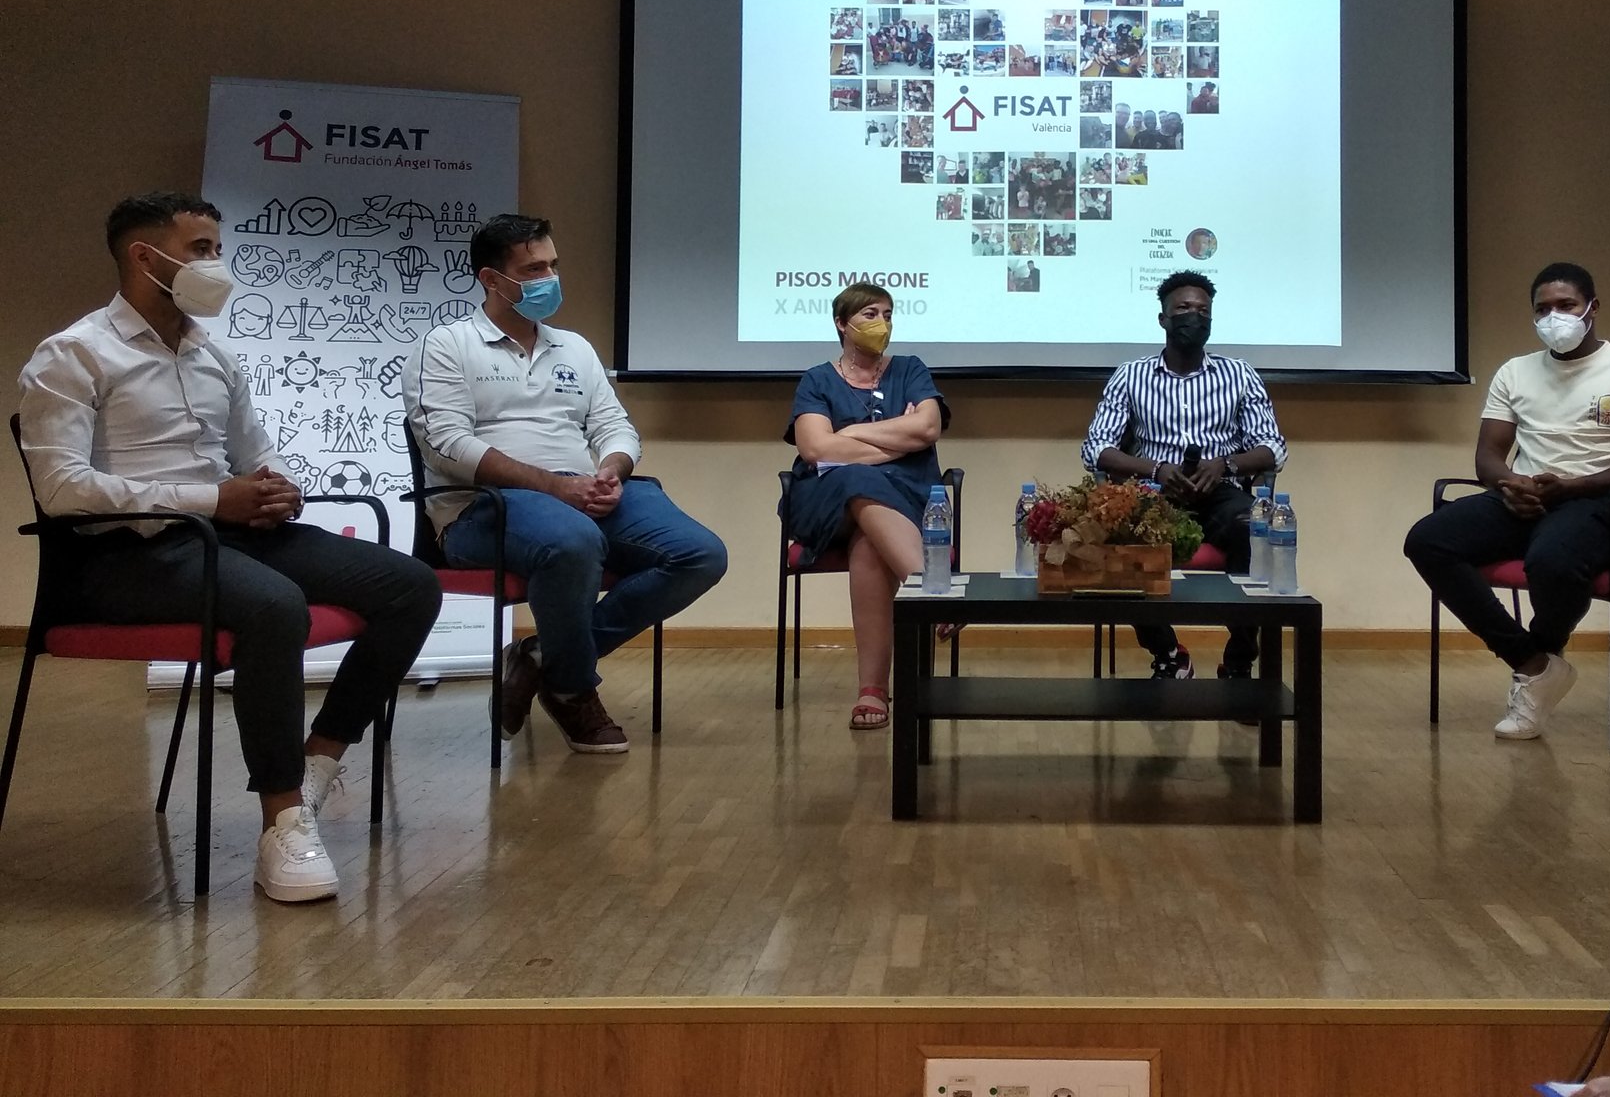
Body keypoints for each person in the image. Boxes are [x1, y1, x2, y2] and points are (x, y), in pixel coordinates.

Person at [17, 191, 442, 904]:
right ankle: (282, 824)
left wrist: (278, 487)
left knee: (411, 585)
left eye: (217, 248)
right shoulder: (74, 354)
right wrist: (212, 500)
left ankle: (317, 763)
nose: (217, 263)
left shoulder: (213, 353)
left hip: (231, 535)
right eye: (201, 250)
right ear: (144, 257)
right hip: (124, 557)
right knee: (274, 606)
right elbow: (63, 490)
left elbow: (255, 452)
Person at [406, 213, 727, 757]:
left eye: (553, 265)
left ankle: (541, 659)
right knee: (573, 541)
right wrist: (556, 490)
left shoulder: (574, 347)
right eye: (534, 269)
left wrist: (611, 471)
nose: (550, 278)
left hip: (581, 492)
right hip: (482, 508)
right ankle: (573, 690)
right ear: (491, 279)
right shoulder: (446, 345)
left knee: (701, 554)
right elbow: (448, 447)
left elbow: (615, 426)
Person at [1403, 263, 1610, 739]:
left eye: (1566, 305)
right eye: (1542, 309)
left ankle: (1541, 661)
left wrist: (1573, 486)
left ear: (1593, 308)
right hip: (1527, 498)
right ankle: (1533, 664)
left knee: (1550, 558)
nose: (1554, 317)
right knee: (1427, 540)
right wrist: (1511, 484)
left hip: (1603, 505)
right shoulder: (1515, 371)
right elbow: (1488, 457)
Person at [1082, 272, 1287, 680]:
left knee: (1254, 528)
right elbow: (1096, 449)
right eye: (1184, 308)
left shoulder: (1239, 374)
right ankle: (1168, 652)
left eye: (1203, 311)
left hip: (1221, 492)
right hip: (1156, 493)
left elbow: (1273, 448)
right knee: (1123, 537)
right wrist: (1157, 469)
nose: (1195, 316)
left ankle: (1240, 660)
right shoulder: (1131, 376)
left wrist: (1226, 464)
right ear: (1163, 319)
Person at [781, 283, 949, 730]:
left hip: (908, 498)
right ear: (842, 323)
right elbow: (816, 449)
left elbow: (927, 429)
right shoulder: (818, 379)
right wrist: (898, 440)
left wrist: (849, 435)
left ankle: (872, 690)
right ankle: (933, 590)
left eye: (888, 315)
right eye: (870, 314)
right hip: (826, 502)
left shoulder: (910, 369)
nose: (882, 324)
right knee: (857, 481)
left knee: (869, 540)